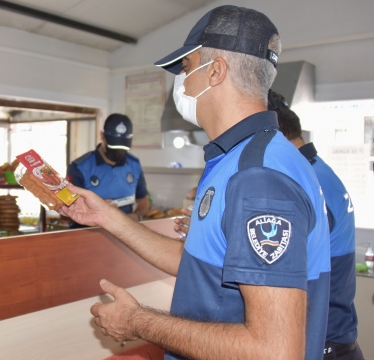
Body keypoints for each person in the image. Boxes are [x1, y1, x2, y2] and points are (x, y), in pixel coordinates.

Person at [60, 5, 331, 360]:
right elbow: (203, 266)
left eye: (186, 68)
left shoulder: (258, 176)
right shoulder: (239, 159)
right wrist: (108, 218)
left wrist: (138, 322)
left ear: (215, 71)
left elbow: (275, 351)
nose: (182, 84)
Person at [269, 90, 363, 360]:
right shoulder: (317, 170)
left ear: (275, 134)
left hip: (324, 346)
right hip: (337, 341)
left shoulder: (305, 181)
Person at [66, 113, 149, 227]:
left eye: (122, 148)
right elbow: (66, 209)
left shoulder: (134, 164)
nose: (118, 153)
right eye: (113, 147)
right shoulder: (79, 168)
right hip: (87, 236)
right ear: (102, 136)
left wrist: (136, 216)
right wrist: (95, 210)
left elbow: (143, 200)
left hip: (125, 235)